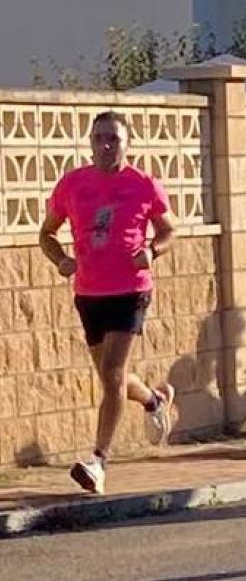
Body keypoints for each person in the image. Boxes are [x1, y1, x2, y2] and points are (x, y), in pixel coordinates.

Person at [38, 112, 177, 495]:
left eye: (113, 139)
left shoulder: (144, 184)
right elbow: (46, 233)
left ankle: (98, 460)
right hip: (88, 292)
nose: (106, 146)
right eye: (99, 138)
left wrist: (153, 250)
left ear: (127, 143)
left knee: (114, 373)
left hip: (131, 289)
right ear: (90, 142)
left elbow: (168, 231)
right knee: (110, 377)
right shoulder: (73, 184)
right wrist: (61, 260)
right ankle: (154, 399)